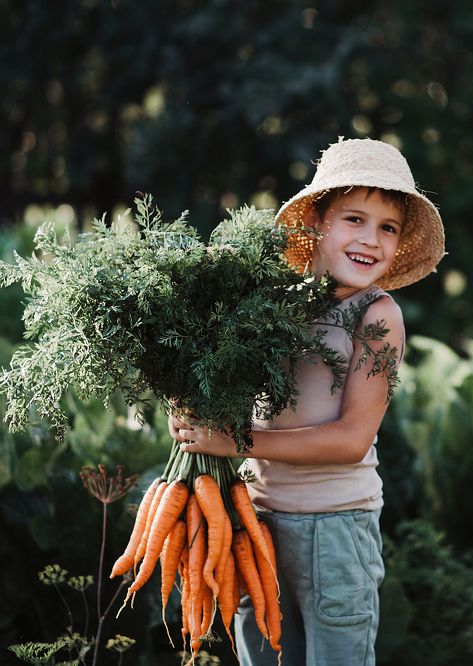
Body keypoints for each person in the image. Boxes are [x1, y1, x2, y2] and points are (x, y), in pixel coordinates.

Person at [169, 137, 445, 666]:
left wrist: (234, 442)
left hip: (335, 529)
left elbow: (350, 440)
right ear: (316, 222)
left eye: (387, 227)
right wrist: (190, 416)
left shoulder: (377, 316)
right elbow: (223, 391)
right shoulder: (274, 303)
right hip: (255, 522)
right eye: (355, 219)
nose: (371, 239)